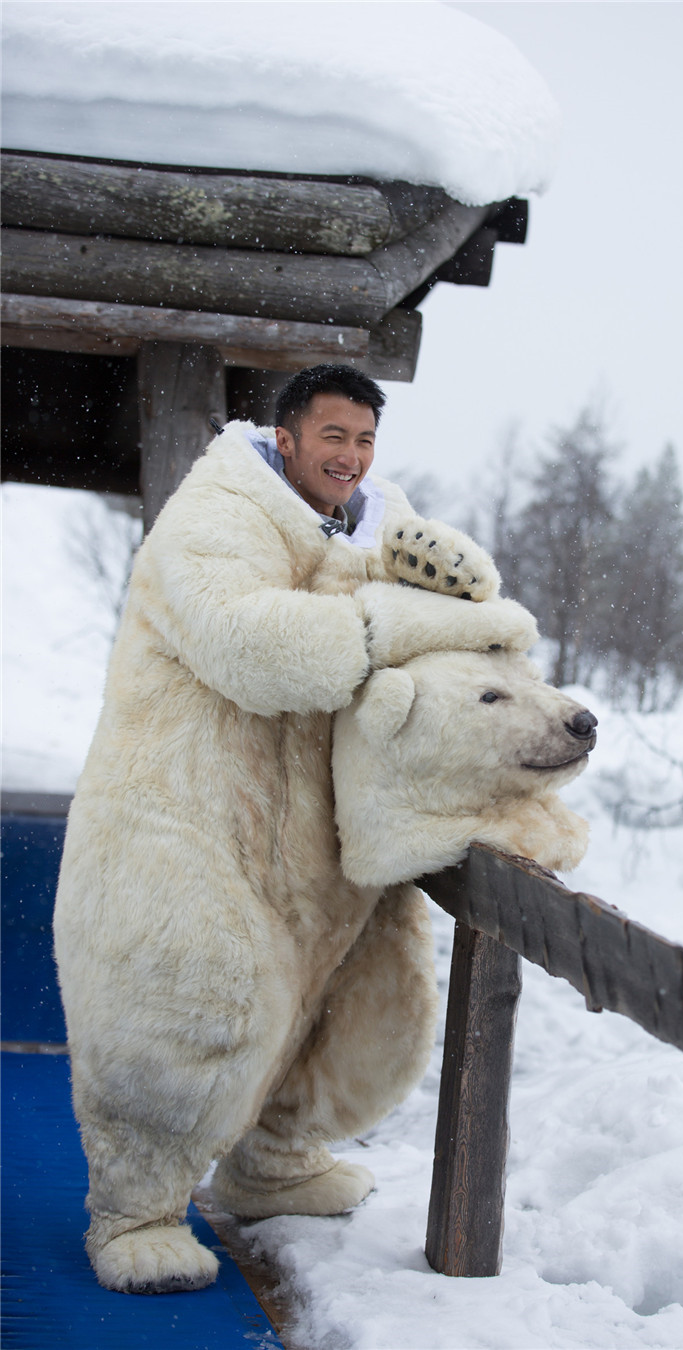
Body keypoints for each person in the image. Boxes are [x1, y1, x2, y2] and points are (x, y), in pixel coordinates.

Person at [53, 363, 537, 1293]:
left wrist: (467, 616)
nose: (350, 457)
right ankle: (134, 1210)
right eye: (333, 437)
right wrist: (398, 619)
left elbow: (441, 661)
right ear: (286, 439)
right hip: (184, 819)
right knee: (187, 1002)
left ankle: (272, 1163)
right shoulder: (216, 513)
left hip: (313, 845)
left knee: (339, 1010)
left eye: (365, 441)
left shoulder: (379, 530)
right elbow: (255, 649)